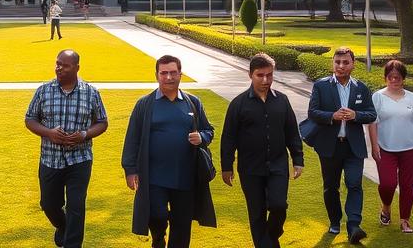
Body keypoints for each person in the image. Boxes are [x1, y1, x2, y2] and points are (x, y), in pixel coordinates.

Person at [123, 55, 217, 248]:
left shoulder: (193, 102)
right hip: (154, 177)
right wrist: (130, 170)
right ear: (157, 75)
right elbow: (132, 138)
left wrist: (202, 137)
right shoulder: (145, 104)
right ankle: (158, 238)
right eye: (164, 73)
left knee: (182, 225)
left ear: (180, 74)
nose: (168, 77)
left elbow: (209, 130)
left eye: (173, 72)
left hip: (185, 176)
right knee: (156, 215)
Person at [25, 49, 109, 248]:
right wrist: (48, 132)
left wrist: (84, 135)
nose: (59, 68)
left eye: (65, 65)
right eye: (57, 63)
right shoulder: (44, 90)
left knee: (76, 206)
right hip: (50, 159)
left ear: (77, 68)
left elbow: (102, 122)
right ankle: (62, 226)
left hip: (79, 160)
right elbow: (30, 119)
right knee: (49, 205)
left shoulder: (91, 93)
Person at [220, 53, 303, 248]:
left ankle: (271, 238)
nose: (266, 80)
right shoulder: (238, 104)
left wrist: (298, 159)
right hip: (250, 168)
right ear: (250, 75)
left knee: (278, 205)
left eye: (269, 75)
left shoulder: (282, 101)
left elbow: (292, 131)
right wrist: (226, 167)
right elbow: (228, 137)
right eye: (260, 75)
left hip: (278, 165)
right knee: (256, 213)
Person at [305, 46, 376, 244]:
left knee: (354, 184)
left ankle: (353, 225)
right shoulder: (321, 86)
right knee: (331, 187)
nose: (341, 66)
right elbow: (313, 112)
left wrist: (356, 115)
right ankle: (334, 221)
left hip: (353, 147)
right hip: (329, 146)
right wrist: (332, 116)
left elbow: (372, 114)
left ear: (353, 64)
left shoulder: (361, 87)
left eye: (345, 62)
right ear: (333, 63)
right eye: (337, 62)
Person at [368, 60, 413, 233]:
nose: (394, 80)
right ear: (385, 77)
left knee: (407, 185)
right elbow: (372, 123)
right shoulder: (377, 97)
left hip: (409, 148)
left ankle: (405, 220)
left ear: (403, 79)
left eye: (397, 77)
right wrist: (374, 145)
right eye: (390, 77)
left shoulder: (412, 98)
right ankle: (386, 206)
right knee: (388, 183)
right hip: (385, 148)